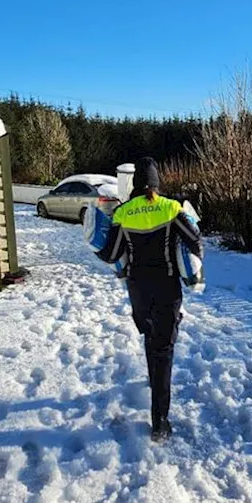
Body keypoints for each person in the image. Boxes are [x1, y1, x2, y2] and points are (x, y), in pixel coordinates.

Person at [96, 157, 202, 442]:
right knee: (164, 350)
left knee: (150, 336)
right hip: (167, 289)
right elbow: (194, 238)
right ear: (156, 182)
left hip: (138, 290)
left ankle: (153, 384)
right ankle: (160, 421)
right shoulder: (170, 208)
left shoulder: (123, 212)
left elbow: (110, 254)